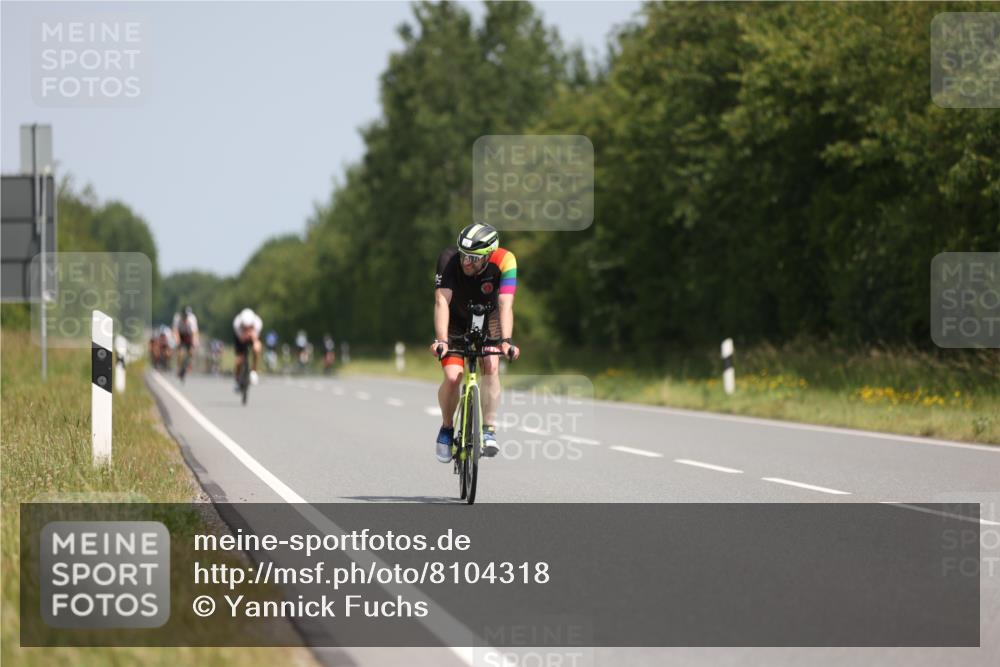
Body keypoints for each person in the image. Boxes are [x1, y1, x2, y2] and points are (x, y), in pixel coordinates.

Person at [430, 223, 520, 463]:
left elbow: (505, 304)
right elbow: (441, 302)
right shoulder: (449, 259)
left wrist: (506, 341)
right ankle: (447, 428)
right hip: (455, 320)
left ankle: (488, 429)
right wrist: (441, 340)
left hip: (488, 316)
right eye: (463, 255)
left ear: (489, 255)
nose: (465, 262)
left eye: (473, 258)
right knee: (452, 376)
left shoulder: (505, 260)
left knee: (490, 364)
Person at [232, 307, 263, 390]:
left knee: (257, 348)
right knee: (239, 360)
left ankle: (254, 370)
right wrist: (245, 334)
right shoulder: (236, 323)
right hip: (240, 339)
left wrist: (252, 336)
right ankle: (237, 379)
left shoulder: (258, 323)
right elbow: (241, 340)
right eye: (245, 327)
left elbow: (256, 341)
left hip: (253, 337)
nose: (247, 328)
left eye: (249, 327)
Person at [172, 305, 200, 378]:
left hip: (189, 334)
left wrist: (195, 342)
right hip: (180, 334)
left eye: (187, 316)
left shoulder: (192, 319)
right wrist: (177, 341)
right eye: (184, 315)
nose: (186, 317)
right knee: (180, 352)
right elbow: (175, 331)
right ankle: (179, 367)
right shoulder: (177, 318)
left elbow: (194, 333)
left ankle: (189, 364)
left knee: (191, 351)